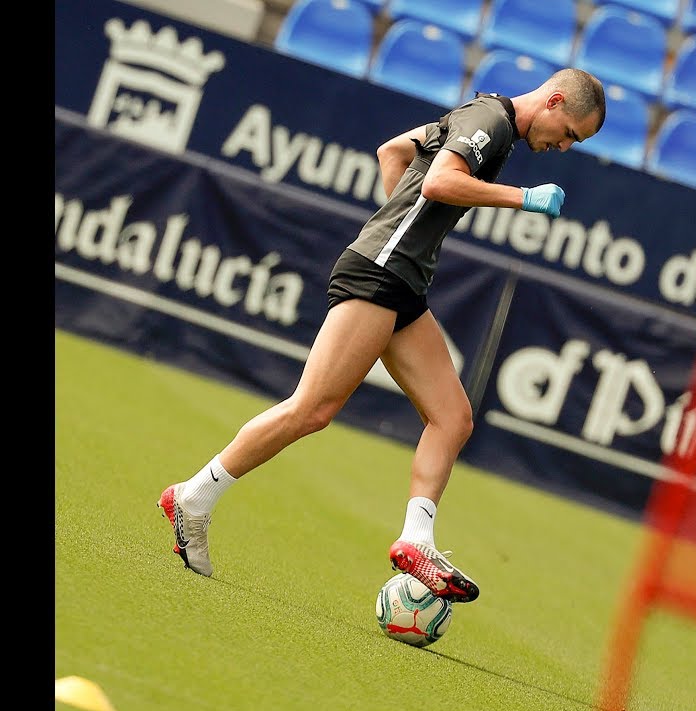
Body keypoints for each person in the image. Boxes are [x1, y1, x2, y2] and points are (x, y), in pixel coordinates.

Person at [157, 68, 607, 604]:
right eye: (571, 134)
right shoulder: (491, 120)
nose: (563, 147)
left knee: (453, 418)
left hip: (400, 279)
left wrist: (401, 223)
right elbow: (439, 182)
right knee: (312, 409)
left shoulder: (482, 115)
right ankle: (194, 496)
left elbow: (391, 150)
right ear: (555, 101)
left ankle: (416, 540)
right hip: (379, 272)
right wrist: (524, 199)